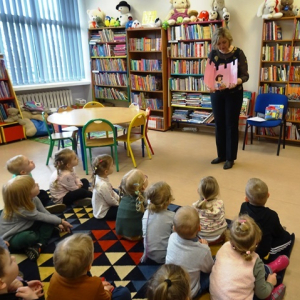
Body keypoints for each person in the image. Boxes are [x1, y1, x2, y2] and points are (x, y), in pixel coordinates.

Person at [209, 215, 289, 300]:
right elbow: (262, 293)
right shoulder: (256, 261)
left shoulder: (224, 247)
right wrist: (270, 283)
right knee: (260, 291)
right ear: (256, 243)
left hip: (215, 297)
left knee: (255, 271)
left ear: (231, 239)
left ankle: (268, 268)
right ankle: (271, 293)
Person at [206, 27, 249, 170]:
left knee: (231, 125)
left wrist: (235, 81)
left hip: (233, 93)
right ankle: (221, 155)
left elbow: (245, 75)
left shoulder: (238, 53)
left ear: (228, 40)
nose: (221, 46)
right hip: (217, 94)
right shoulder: (213, 54)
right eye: (218, 44)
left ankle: (230, 158)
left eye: (223, 42)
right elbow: (209, 74)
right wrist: (208, 84)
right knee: (219, 124)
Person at [0, 176, 72, 261]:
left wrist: (57, 222)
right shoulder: (22, 209)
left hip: (26, 224)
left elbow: (44, 213)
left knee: (49, 220)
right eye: (34, 186)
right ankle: (40, 243)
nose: (37, 184)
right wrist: (61, 221)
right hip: (11, 237)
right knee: (29, 237)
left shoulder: (34, 198)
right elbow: (41, 216)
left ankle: (40, 240)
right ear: (26, 194)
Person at [47, 233, 131, 300]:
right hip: (96, 291)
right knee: (123, 293)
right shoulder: (95, 284)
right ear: (89, 266)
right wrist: (106, 289)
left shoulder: (54, 277)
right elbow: (107, 298)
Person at [240, 178, 293, 261]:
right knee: (287, 238)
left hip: (245, 245)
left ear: (246, 198)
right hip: (261, 251)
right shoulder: (271, 215)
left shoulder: (243, 206)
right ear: (268, 195)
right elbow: (279, 233)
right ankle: (269, 258)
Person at [166, 206, 214, 298]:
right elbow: (209, 269)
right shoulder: (203, 250)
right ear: (199, 228)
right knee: (215, 267)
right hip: (189, 293)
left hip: (170, 288)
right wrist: (205, 246)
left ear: (174, 228)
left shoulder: (172, 237)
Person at [141, 182, 175, 263]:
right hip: (165, 257)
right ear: (169, 200)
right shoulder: (172, 216)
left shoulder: (146, 213)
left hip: (148, 254)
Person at [116, 169, 148, 241]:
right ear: (143, 187)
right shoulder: (143, 197)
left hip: (120, 232)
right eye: (145, 177)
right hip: (136, 235)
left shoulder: (123, 195)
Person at [192, 176, 227, 242]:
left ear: (198, 191)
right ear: (217, 192)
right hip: (219, 235)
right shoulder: (220, 203)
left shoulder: (195, 206)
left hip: (202, 236)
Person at [91, 154, 119, 220]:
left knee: (116, 191)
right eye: (112, 165)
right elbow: (110, 201)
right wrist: (119, 203)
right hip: (103, 213)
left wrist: (118, 197)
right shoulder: (103, 185)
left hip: (104, 205)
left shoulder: (99, 177)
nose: (113, 166)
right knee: (123, 210)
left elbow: (111, 191)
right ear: (106, 171)